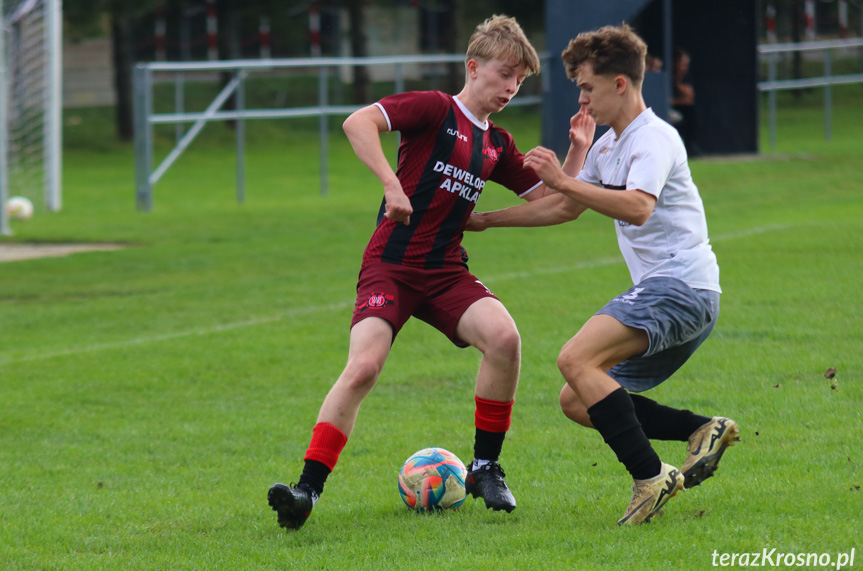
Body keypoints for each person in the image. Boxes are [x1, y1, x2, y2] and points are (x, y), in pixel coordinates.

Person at [267, 15, 593, 531]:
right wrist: (391, 186)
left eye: (520, 80)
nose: (510, 86)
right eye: (505, 73)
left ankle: (485, 467)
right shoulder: (435, 109)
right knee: (364, 369)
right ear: (473, 67)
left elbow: (560, 206)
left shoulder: (497, 145)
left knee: (505, 338)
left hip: (444, 272)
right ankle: (306, 491)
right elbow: (358, 122)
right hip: (391, 267)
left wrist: (576, 150)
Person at [467, 24, 738, 526]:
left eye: (588, 87)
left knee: (574, 357)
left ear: (620, 83)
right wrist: (485, 220)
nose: (582, 99)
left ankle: (650, 477)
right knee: (576, 397)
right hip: (674, 294)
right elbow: (563, 208)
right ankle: (702, 429)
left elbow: (637, 207)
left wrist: (563, 177)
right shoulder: (608, 146)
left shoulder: (653, 138)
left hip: (681, 286)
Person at [670, 47, 699, 156]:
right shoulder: (668, 75)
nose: (684, 67)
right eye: (682, 63)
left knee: (691, 113)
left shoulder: (685, 77)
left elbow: (689, 98)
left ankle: (690, 147)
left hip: (678, 107)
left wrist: (678, 85)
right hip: (667, 109)